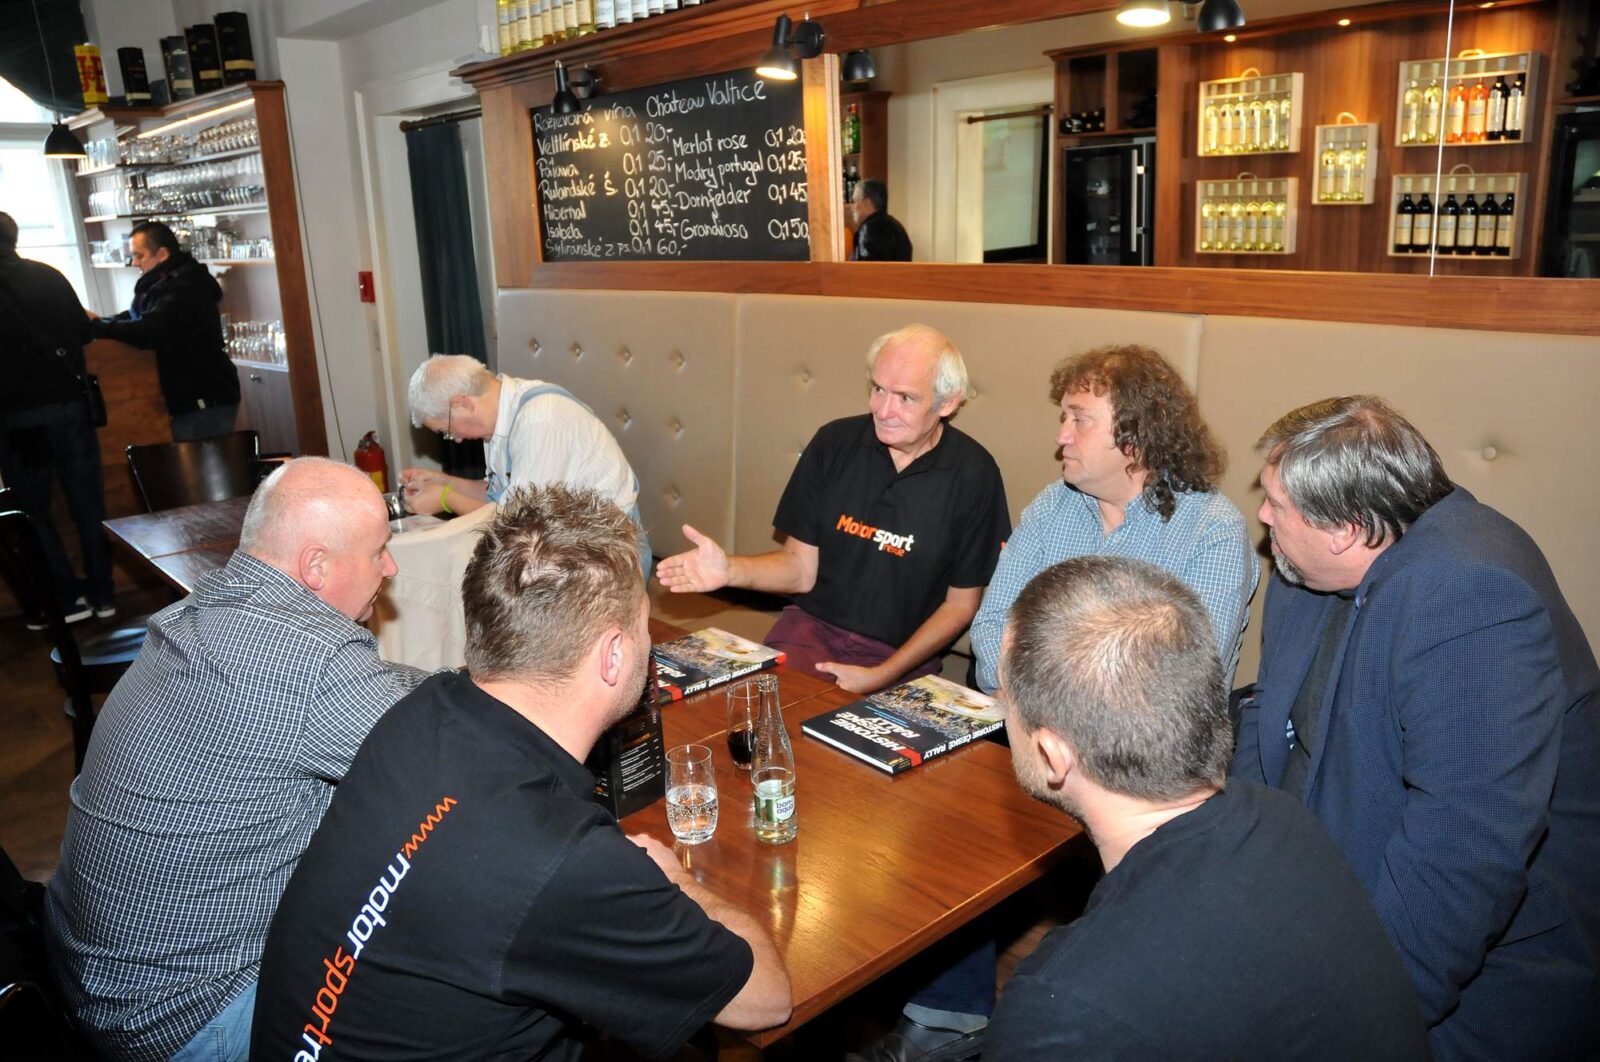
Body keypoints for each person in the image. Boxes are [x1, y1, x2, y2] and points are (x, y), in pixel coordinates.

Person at [251, 485, 792, 1059]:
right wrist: (674, 880)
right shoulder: (565, 860)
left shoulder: (420, 711)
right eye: (644, 627)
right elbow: (766, 999)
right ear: (613, 655)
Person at [1233, 396, 1600, 1060]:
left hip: (1482, 967)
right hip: (1335, 889)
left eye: (1277, 505)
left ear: (1345, 529)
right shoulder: (1305, 567)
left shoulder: (1470, 597)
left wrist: (1366, 1023)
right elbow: (1274, 717)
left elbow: (1463, 851)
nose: (1263, 516)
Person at [45, 458, 428, 1062]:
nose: (391, 567)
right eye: (379, 551)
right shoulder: (310, 659)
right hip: (190, 1018)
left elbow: (377, 693)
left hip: (91, 978)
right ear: (316, 566)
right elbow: (448, 750)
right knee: (443, 976)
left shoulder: (199, 611)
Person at [983, 555, 1429, 1060]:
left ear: (1052, 755)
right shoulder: (1278, 818)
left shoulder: (1064, 1008)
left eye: (1007, 696)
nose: (1003, 704)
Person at [657, 324, 1009, 694]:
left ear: (947, 403)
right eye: (878, 389)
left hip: (899, 657)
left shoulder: (974, 474)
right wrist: (729, 569)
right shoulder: (834, 443)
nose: (883, 410)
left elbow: (960, 606)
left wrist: (882, 674)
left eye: (905, 398)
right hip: (810, 631)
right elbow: (800, 570)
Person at [970, 344, 1258, 693]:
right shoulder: (1052, 506)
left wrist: (1044, 703)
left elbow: (1185, 683)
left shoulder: (1212, 531)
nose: (1062, 436)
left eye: (1080, 420)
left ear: (1135, 435)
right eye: (1064, 418)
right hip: (1028, 714)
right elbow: (992, 626)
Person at [399, 353, 649, 569]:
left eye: (448, 431)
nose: (457, 440)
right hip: (567, 540)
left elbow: (520, 525)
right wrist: (444, 482)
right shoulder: (500, 417)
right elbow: (502, 496)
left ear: (463, 403)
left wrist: (446, 499)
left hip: (611, 552)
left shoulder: (540, 421)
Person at [0, 210, 114, 622]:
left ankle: (66, 601)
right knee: (89, 504)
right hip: (69, 408)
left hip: (16, 419)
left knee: (33, 513)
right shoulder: (49, 276)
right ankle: (103, 595)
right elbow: (85, 333)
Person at [88, 220, 241, 441]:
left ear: (161, 254)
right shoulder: (163, 283)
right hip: (192, 392)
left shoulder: (184, 286)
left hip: (203, 392)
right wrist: (101, 322)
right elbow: (137, 316)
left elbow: (149, 329)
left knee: (203, 458)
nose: (134, 263)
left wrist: (99, 326)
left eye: (139, 256)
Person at [850, 178, 913, 262]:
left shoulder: (867, 229)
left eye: (855, 201)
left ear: (866, 203)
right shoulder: (897, 227)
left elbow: (867, 268)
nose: (852, 208)